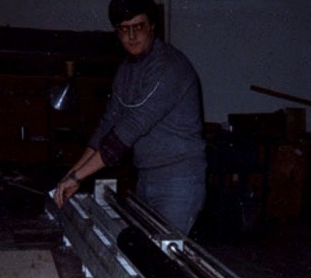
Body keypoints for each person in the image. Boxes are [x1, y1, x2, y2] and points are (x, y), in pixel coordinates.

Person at [54, 0, 206, 235]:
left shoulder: (169, 67)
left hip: (179, 183)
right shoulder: (126, 71)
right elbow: (107, 127)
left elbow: (127, 132)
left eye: (139, 27)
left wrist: (77, 177)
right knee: (143, 255)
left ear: (152, 26)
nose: (132, 36)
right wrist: (71, 175)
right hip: (146, 178)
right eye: (125, 29)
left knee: (161, 259)